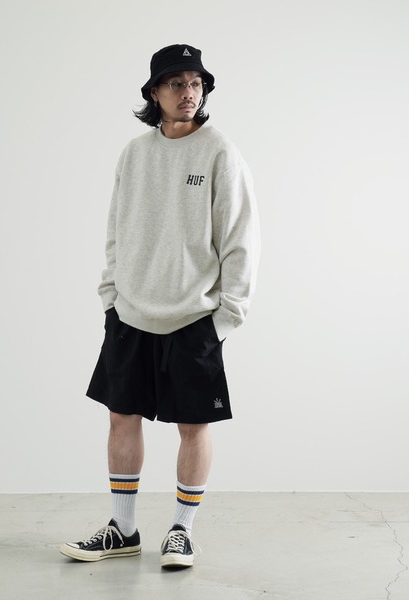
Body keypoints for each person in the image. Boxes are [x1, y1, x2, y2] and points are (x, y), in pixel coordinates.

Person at [60, 44, 260, 569]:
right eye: (176, 83)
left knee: (193, 426)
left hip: (195, 318)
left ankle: (181, 531)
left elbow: (241, 240)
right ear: (154, 93)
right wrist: (111, 296)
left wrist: (226, 318)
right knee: (121, 418)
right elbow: (116, 229)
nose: (188, 92)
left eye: (195, 83)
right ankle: (123, 530)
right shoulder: (134, 153)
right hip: (130, 314)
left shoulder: (220, 152)